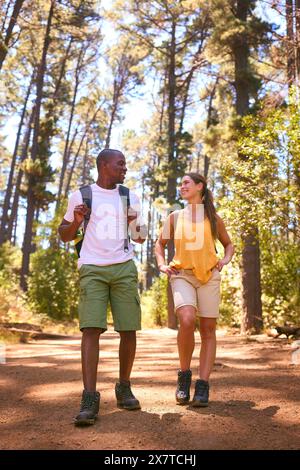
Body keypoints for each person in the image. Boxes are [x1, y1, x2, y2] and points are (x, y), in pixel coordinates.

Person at [58, 149, 147, 426]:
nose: (125, 168)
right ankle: (89, 397)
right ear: (104, 165)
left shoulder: (129, 196)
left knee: (128, 328)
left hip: (123, 266)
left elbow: (141, 238)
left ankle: (124, 386)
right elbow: (64, 235)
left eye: (124, 163)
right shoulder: (82, 195)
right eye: (120, 163)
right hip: (92, 267)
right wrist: (76, 219)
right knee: (91, 329)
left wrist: (135, 224)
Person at [155, 173, 234, 407]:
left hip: (209, 276)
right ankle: (183, 376)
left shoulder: (213, 218)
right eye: (180, 183)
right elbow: (160, 244)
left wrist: (225, 260)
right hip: (182, 275)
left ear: (200, 186)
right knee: (187, 319)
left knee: (208, 330)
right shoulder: (174, 217)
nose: (182, 186)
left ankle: (203, 385)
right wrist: (161, 263)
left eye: (186, 182)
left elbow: (228, 244)